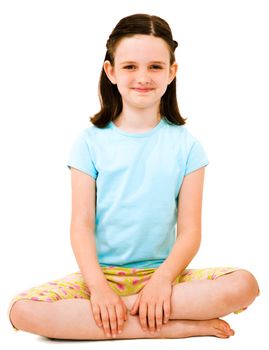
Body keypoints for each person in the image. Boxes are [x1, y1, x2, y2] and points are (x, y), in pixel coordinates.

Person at [8, 13, 260, 340]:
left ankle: (117, 318)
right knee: (22, 310)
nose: (143, 76)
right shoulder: (88, 143)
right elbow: (81, 225)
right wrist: (98, 290)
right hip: (100, 276)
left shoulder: (187, 147)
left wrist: (160, 284)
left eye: (155, 66)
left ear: (172, 72)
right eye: (130, 66)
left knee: (244, 285)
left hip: (167, 276)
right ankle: (170, 326)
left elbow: (190, 231)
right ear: (111, 71)